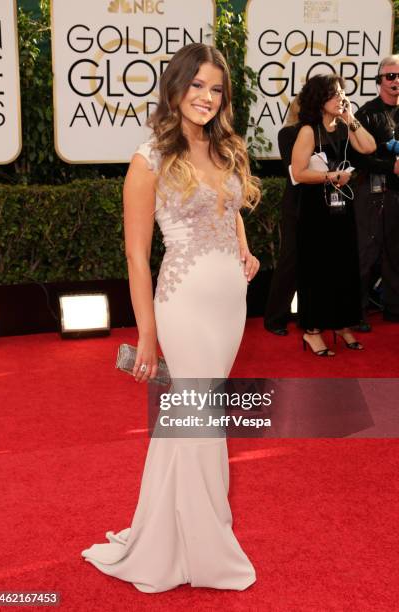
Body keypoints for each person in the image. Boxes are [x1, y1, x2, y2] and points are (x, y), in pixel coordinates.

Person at [81, 43, 261, 592]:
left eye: (216, 88)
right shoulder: (149, 158)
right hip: (181, 303)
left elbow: (229, 210)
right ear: (176, 87)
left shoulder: (227, 148)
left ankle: (174, 536)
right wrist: (147, 335)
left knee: (192, 425)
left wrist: (246, 250)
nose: (206, 97)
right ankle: (198, 546)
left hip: (230, 302)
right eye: (197, 85)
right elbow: (137, 256)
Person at [291, 74, 376, 356]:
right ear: (319, 99)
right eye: (334, 93)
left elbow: (369, 147)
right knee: (318, 269)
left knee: (344, 266)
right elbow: (299, 172)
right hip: (316, 209)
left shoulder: (343, 125)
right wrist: (330, 176)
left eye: (342, 92)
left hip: (342, 205)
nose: (341, 97)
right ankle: (312, 331)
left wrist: (350, 116)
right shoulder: (308, 131)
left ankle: (341, 324)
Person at [351, 54, 399, 329]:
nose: (395, 81)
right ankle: (356, 312)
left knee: (396, 251)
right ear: (379, 80)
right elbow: (358, 159)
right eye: (390, 76)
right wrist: (390, 166)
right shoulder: (366, 113)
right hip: (372, 192)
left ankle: (393, 308)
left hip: (397, 193)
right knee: (366, 251)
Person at [264, 97, 301, 335]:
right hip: (297, 203)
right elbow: (294, 169)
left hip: (320, 204)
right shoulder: (287, 134)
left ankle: (309, 315)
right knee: (290, 260)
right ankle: (275, 318)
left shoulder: (324, 132)